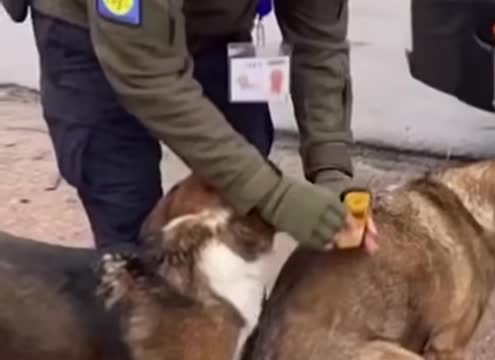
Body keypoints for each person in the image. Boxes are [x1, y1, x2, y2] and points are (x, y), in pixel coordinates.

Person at [2, 0, 378, 252]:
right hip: (89, 32)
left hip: (214, 26)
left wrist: (331, 169)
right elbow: (148, 77)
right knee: (127, 232)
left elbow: (319, 44)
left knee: (242, 208)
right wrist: (274, 195)